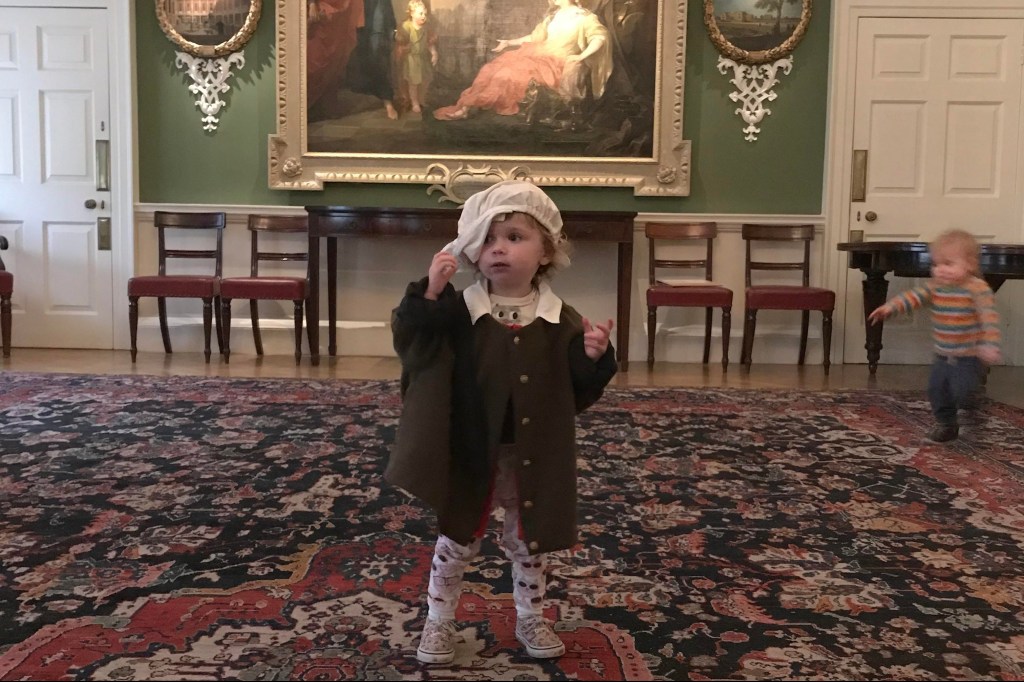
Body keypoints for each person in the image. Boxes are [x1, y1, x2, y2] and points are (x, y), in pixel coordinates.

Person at [387, 180, 618, 664]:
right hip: (472, 447)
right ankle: (438, 618)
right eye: (488, 239)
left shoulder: (561, 320)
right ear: (473, 249)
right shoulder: (457, 313)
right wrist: (430, 291)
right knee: (456, 537)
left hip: (531, 452)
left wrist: (594, 356)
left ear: (546, 251)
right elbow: (414, 340)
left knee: (528, 540)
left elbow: (576, 389)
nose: (499, 249)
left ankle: (531, 614)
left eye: (515, 237)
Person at [867, 229, 1002, 442]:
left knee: (963, 390)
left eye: (948, 264)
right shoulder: (937, 287)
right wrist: (890, 307)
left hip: (968, 356)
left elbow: (988, 318)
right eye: (936, 264)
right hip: (942, 354)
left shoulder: (977, 289)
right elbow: (913, 297)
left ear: (970, 264)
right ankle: (946, 424)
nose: (940, 270)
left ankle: (971, 409)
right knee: (937, 390)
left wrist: (989, 344)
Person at [433, 0, 612, 121]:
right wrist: (509, 42)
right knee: (490, 70)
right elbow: (535, 37)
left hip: (555, 63)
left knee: (507, 73)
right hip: (537, 55)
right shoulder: (554, 16)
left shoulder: (585, 18)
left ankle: (470, 106)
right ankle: (466, 106)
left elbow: (600, 38)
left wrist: (581, 56)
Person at [394, 0, 438, 114]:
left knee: (425, 80)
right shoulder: (406, 26)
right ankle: (414, 102)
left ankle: (421, 99)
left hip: (423, 59)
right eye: (420, 13)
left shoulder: (426, 27)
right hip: (411, 60)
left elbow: (429, 43)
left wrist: (434, 53)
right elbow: (400, 41)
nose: (423, 16)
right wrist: (404, 46)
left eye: (425, 14)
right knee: (413, 83)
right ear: (412, 14)